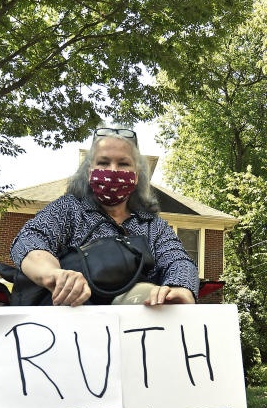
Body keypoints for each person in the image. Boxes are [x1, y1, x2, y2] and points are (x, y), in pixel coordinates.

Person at [10, 127, 198, 306]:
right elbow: (29, 239)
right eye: (103, 162)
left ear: (137, 175)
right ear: (90, 170)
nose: (113, 170)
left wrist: (180, 288)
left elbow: (177, 259)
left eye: (123, 163)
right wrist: (54, 274)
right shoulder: (69, 208)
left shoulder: (153, 226)